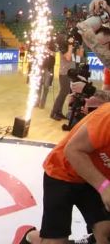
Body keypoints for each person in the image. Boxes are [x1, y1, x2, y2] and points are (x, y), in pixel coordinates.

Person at [22, 99, 110, 243]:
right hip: (62, 172)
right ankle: (31, 237)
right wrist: (104, 187)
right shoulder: (107, 117)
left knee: (106, 232)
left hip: (93, 177)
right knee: (56, 241)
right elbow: (73, 151)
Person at [52, 35, 83, 121]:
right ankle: (54, 112)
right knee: (62, 93)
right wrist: (70, 45)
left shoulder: (71, 49)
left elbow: (79, 57)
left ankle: (59, 112)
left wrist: (80, 45)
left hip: (70, 74)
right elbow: (68, 57)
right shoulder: (63, 48)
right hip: (64, 74)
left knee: (64, 93)